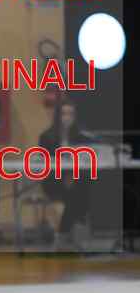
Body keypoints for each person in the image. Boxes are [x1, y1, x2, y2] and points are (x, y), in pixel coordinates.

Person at [38, 99, 93, 250]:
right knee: (78, 193)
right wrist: (64, 176)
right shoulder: (46, 137)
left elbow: (85, 159)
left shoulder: (81, 136)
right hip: (53, 181)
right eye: (64, 113)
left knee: (81, 188)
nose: (67, 117)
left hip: (75, 180)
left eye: (70, 114)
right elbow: (45, 164)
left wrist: (71, 175)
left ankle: (63, 235)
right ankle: (70, 233)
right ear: (58, 116)